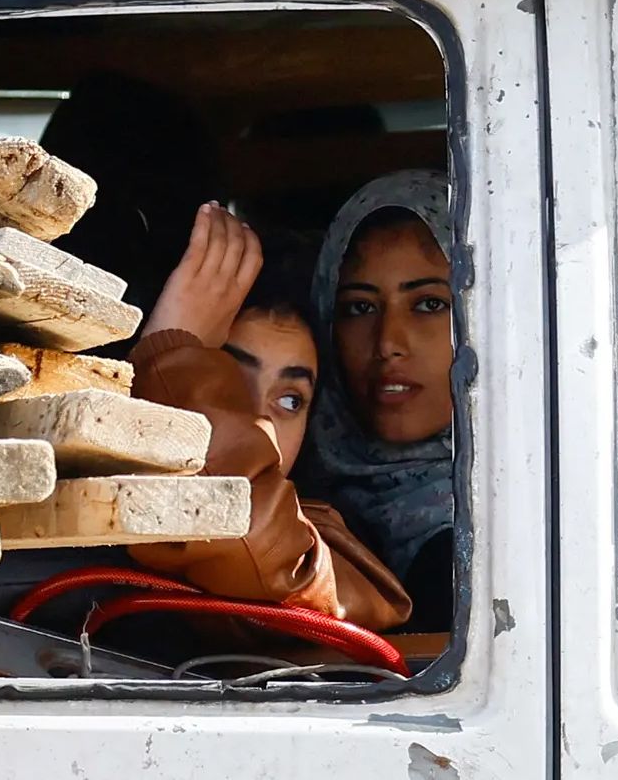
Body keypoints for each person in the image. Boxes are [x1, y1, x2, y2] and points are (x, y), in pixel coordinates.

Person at [126, 201, 412, 631]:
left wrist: (171, 354)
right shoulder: (73, 523)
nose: (260, 422)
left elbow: (247, 528)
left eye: (292, 400)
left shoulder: (325, 552)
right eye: (228, 380)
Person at [309, 170, 458, 632]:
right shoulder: (291, 515)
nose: (388, 343)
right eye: (359, 307)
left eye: (430, 304)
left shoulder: (547, 521)